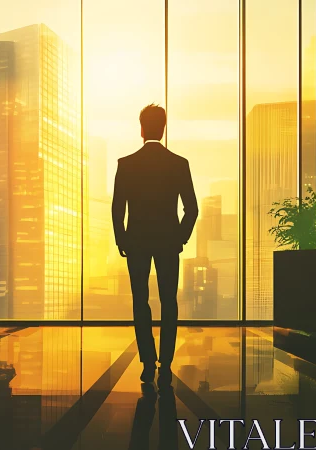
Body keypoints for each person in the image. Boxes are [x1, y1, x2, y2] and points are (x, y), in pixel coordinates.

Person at [112, 103, 198, 384]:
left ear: (141, 129)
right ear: (163, 128)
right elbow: (192, 209)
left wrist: (121, 238)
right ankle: (166, 362)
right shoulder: (179, 163)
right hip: (167, 242)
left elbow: (117, 208)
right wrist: (180, 238)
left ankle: (148, 361)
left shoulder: (126, 164)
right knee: (168, 302)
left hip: (136, 240)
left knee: (140, 301)